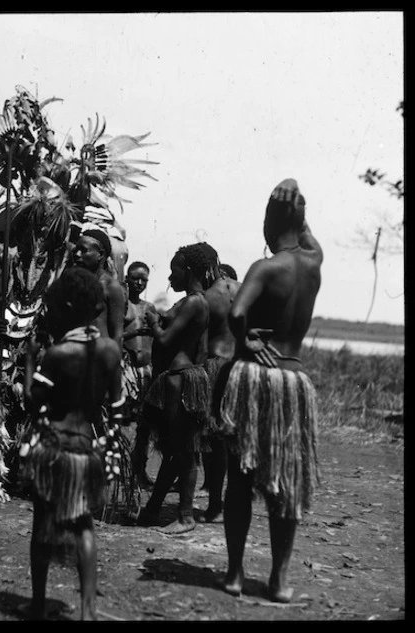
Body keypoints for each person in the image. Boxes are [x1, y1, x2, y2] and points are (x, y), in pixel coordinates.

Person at [217, 178, 322, 603]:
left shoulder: (266, 268)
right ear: (300, 219)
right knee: (286, 482)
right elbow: (306, 233)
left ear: (270, 220)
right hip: (294, 380)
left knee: (241, 477)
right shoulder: (314, 261)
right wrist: (295, 202)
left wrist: (251, 341)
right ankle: (278, 580)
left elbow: (236, 313)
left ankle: (235, 574)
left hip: (258, 377)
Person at [19, 267, 124, 620]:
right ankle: (88, 610)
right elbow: (118, 405)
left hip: (55, 451)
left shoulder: (59, 353)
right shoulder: (110, 351)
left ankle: (37, 605)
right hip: (87, 451)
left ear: (65, 306)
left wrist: (31, 358)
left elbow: (33, 400)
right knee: (83, 526)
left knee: (43, 526)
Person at [136, 242, 216, 534]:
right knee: (175, 449)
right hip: (182, 376)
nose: (170, 277)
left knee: (184, 451)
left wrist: (154, 321)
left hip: (181, 378)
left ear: (190, 270)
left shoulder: (195, 301)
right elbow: (198, 348)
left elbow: (167, 340)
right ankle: (153, 509)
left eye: (175, 271)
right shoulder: (196, 301)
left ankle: (185, 516)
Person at [198, 252, 241, 524]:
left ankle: (215, 505)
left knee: (212, 440)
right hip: (239, 367)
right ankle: (232, 503)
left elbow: (200, 344)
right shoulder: (242, 289)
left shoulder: (206, 297)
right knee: (233, 440)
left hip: (214, 367)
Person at [121, 261, 158, 489]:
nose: (139, 283)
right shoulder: (122, 305)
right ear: (127, 278)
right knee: (123, 422)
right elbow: (115, 334)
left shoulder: (150, 307)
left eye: (144, 279)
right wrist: (134, 332)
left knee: (144, 424)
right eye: (135, 278)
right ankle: (119, 471)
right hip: (126, 371)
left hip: (147, 370)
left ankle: (140, 472)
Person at [72, 227, 126, 348]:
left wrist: (112, 363)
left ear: (100, 255)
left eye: (83, 250)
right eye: (76, 250)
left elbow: (117, 334)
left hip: (99, 357)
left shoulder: (111, 287)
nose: (77, 254)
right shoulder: (76, 284)